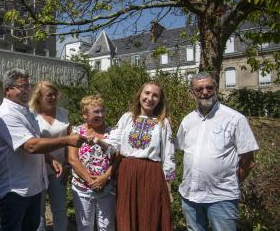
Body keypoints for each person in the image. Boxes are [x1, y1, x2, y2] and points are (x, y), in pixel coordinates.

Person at [0, 68, 87, 231]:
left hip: (33, 186)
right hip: (15, 189)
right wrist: (67, 140)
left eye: (28, 86)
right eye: (22, 87)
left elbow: (35, 138)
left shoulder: (25, 111)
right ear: (7, 90)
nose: (27, 90)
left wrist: (50, 159)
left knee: (33, 226)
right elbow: (30, 145)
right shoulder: (6, 114)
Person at [177, 72, 259, 231]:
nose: (205, 92)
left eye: (209, 87)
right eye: (199, 89)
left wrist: (233, 181)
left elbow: (248, 159)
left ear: (217, 88)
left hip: (221, 198)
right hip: (190, 196)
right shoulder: (188, 121)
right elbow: (181, 149)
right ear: (192, 93)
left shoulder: (235, 119)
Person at [102, 81, 175, 231]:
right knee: (126, 214)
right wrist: (97, 141)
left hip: (152, 172)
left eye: (155, 95)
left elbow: (169, 152)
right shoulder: (127, 118)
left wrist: (169, 184)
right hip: (127, 171)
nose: (150, 98)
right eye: (147, 93)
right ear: (140, 95)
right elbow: (114, 142)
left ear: (160, 100)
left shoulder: (163, 122)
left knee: (150, 214)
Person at [68, 95, 116, 231]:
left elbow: (118, 158)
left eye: (102, 111)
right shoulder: (77, 132)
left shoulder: (112, 132)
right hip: (82, 188)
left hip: (107, 188)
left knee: (106, 227)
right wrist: (91, 181)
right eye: (96, 112)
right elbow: (72, 159)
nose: (100, 115)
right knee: (84, 227)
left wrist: (104, 178)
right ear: (84, 114)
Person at [28, 80, 69, 231]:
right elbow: (33, 143)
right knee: (38, 213)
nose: (53, 98)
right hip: (37, 170)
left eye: (55, 94)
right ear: (39, 97)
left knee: (60, 210)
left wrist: (67, 165)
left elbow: (69, 142)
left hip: (59, 171)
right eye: (48, 95)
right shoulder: (31, 114)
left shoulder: (64, 113)